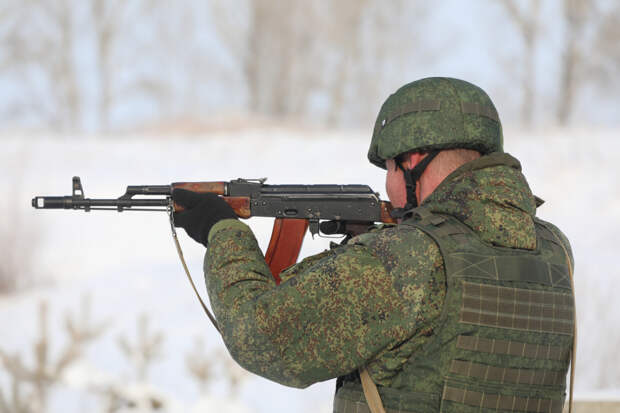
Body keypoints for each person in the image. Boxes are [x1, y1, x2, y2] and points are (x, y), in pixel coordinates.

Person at [172, 77, 575, 413]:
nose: (389, 185)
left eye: (389, 168)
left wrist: (222, 231)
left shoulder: (408, 257)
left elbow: (262, 336)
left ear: (413, 160)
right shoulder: (554, 250)